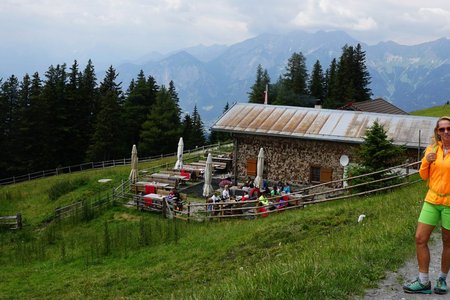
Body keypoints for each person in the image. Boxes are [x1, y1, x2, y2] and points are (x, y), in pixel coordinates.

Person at [403, 116, 450, 295]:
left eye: (449, 128)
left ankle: (442, 279)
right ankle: (423, 282)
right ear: (437, 132)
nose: (446, 132)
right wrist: (426, 161)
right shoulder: (432, 150)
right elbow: (423, 176)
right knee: (420, 238)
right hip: (431, 200)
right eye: (442, 129)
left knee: (448, 242)